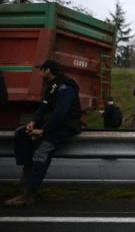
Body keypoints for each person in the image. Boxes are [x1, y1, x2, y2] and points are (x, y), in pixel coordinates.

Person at [4, 60, 82, 206]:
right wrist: (33, 122)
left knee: (42, 153)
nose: (39, 72)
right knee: (21, 133)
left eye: (41, 70)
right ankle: (27, 172)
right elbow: (43, 107)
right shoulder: (50, 86)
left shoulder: (65, 86)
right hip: (51, 124)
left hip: (65, 126)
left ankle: (28, 194)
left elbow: (60, 113)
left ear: (48, 71)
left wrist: (44, 130)